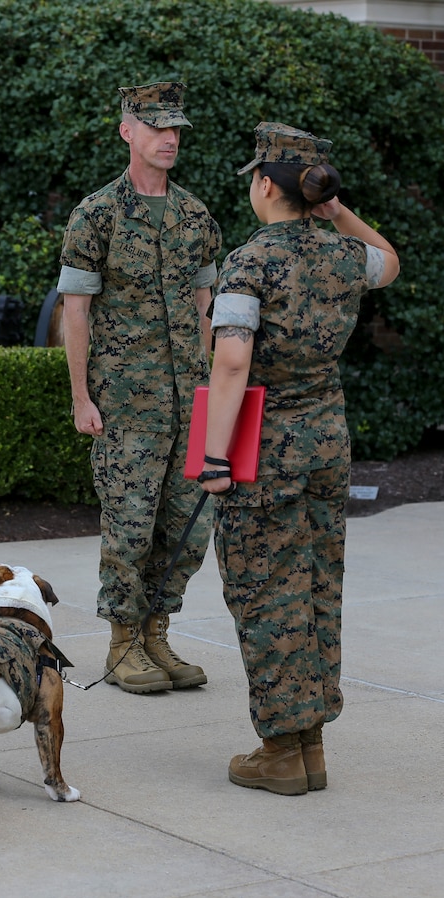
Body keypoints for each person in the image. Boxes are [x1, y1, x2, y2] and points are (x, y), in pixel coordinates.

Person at [199, 122, 399, 794]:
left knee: (264, 588)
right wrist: (336, 211)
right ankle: (309, 741)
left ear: (263, 184)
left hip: (265, 445)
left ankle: (280, 750)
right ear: (313, 192)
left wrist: (214, 456)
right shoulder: (345, 257)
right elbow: (389, 261)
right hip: (325, 439)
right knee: (315, 584)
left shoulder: (249, 261)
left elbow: (231, 362)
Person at [58, 82, 222, 693]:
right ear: (127, 130)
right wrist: (81, 397)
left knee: (188, 527)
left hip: (191, 400)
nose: (169, 139)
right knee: (129, 526)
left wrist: (214, 397)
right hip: (127, 404)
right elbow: (75, 311)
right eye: (156, 128)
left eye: (176, 129)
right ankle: (121, 644)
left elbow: (208, 309)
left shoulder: (196, 215)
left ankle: (157, 635)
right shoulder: (95, 215)